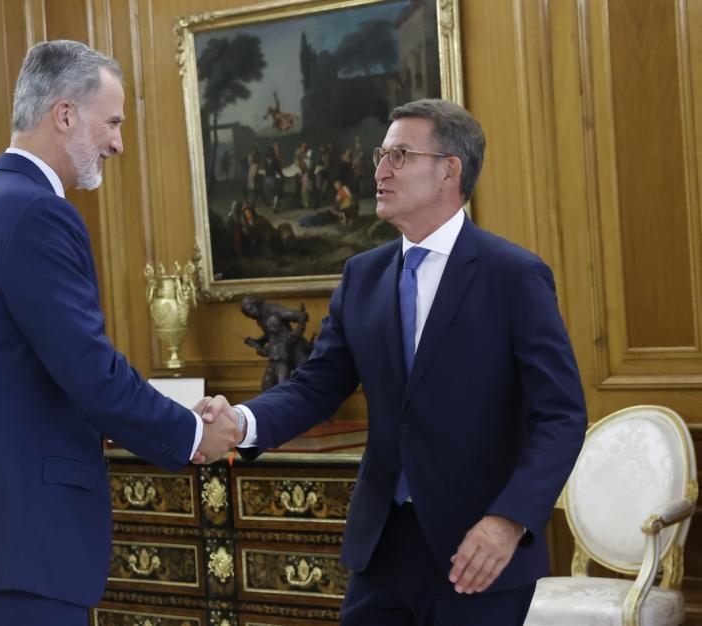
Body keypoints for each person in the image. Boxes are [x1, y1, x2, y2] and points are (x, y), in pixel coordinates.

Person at [206, 99, 586, 625]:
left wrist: (509, 520)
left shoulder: (513, 276)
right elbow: (317, 384)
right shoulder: (362, 275)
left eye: (400, 155)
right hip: (381, 549)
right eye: (381, 155)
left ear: (449, 170)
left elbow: (561, 416)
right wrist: (241, 423)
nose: (379, 171)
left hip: (479, 552)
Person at [0, 40, 241, 626]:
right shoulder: (37, 213)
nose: (118, 141)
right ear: (63, 114)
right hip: (18, 538)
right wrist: (194, 433)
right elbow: (91, 374)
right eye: (111, 121)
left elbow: (45, 371)